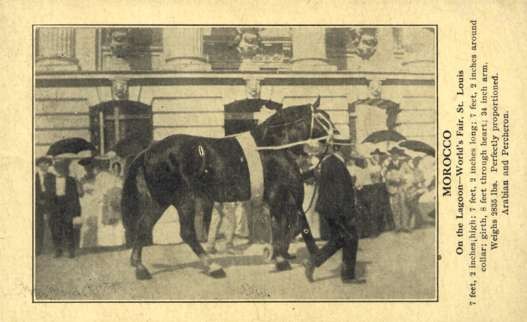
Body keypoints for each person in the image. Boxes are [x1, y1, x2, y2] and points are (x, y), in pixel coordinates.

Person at [303, 135, 365, 284]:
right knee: (351, 238)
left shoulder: (332, 162)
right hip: (337, 210)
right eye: (348, 146)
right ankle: (348, 276)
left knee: (338, 239)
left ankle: (314, 261)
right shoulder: (335, 163)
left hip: (330, 209)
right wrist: (348, 214)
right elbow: (339, 192)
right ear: (339, 147)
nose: (351, 148)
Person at [50, 159, 81, 258]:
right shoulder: (50, 180)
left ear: (66, 170)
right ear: (55, 169)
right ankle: (57, 250)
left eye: (63, 168)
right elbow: (48, 195)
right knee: (56, 229)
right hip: (55, 205)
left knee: (68, 228)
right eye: (58, 168)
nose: (60, 170)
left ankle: (71, 250)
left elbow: (75, 196)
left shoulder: (71, 180)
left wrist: (76, 211)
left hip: (67, 205)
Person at [35, 156, 55, 256]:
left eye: (47, 163)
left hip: (49, 203)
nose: (46, 165)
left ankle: (52, 248)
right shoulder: (34, 177)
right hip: (37, 205)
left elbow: (54, 191)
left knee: (52, 224)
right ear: (38, 164)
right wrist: (38, 200)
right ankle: (38, 249)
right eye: (43, 163)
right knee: (38, 226)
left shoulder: (52, 176)